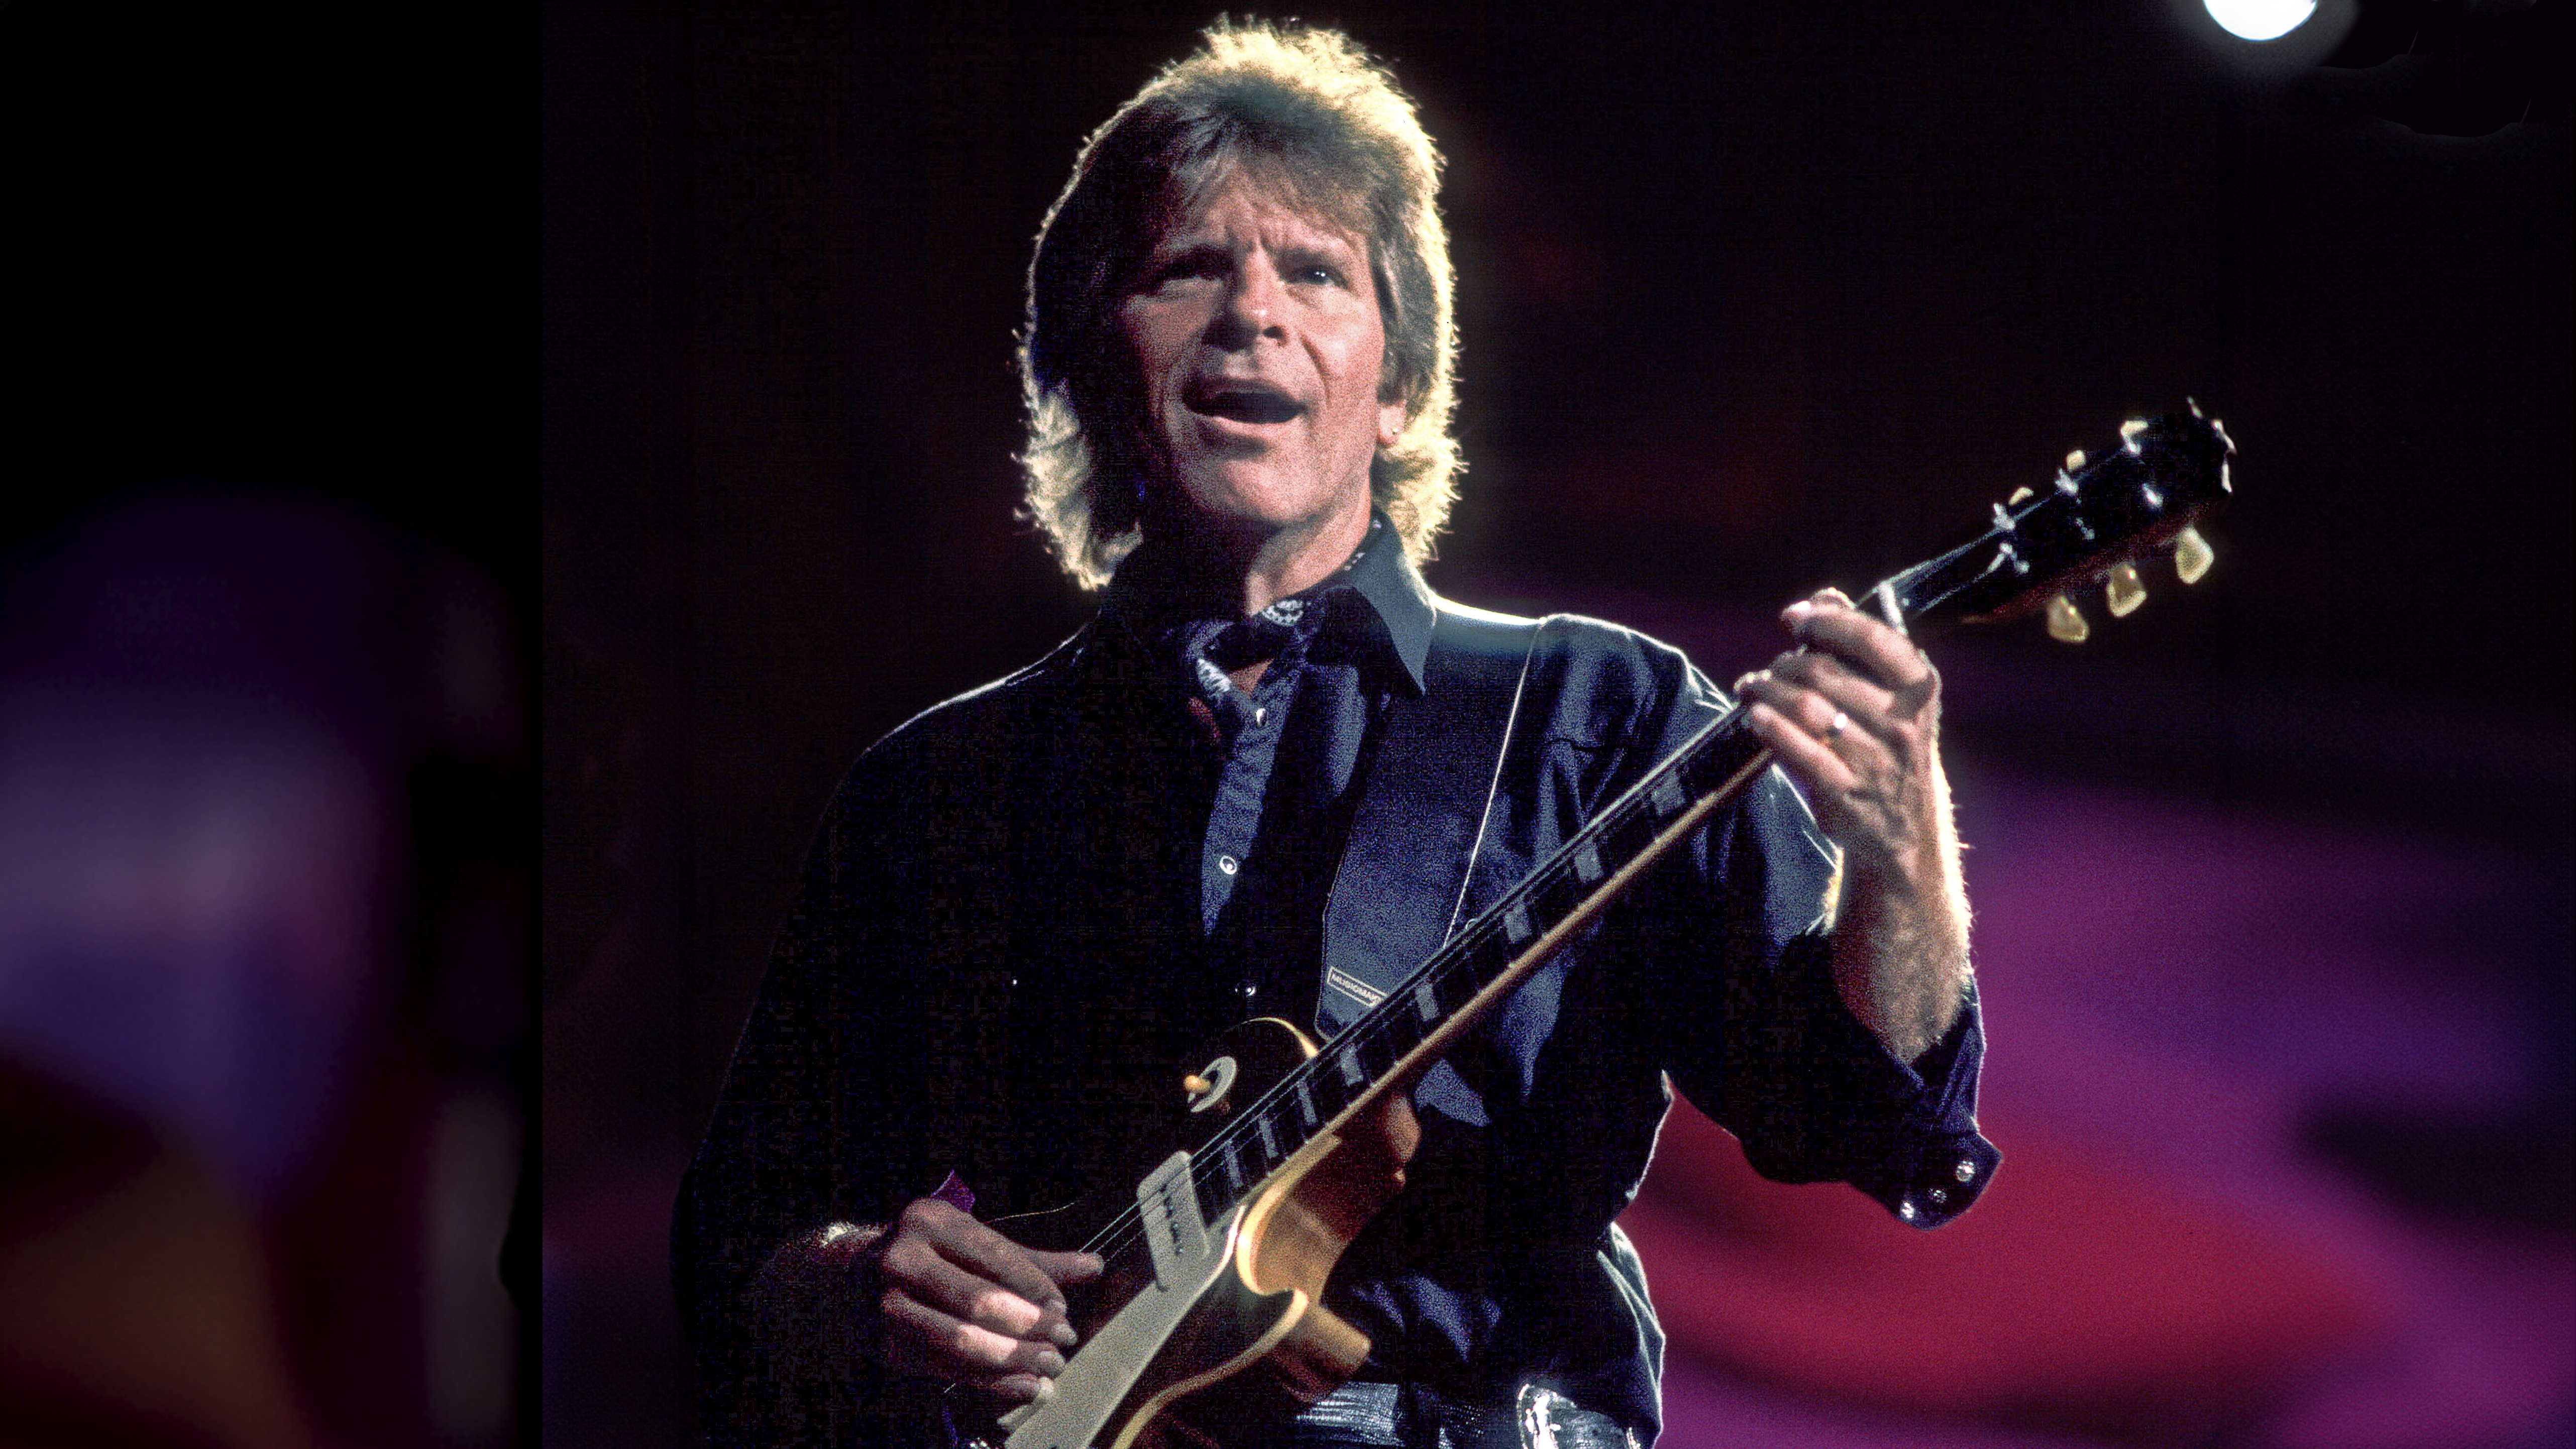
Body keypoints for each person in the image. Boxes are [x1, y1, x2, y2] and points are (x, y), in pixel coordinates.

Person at [675, 21, 1994, 1449]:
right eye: (1187, 269)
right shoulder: (937, 786)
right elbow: (729, 1259)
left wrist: (1899, 847)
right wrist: (861, 1280)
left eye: (1315, 271)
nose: (1254, 312)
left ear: (1401, 386)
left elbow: (1873, 1127)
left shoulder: (1596, 717)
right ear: (1081, 366)